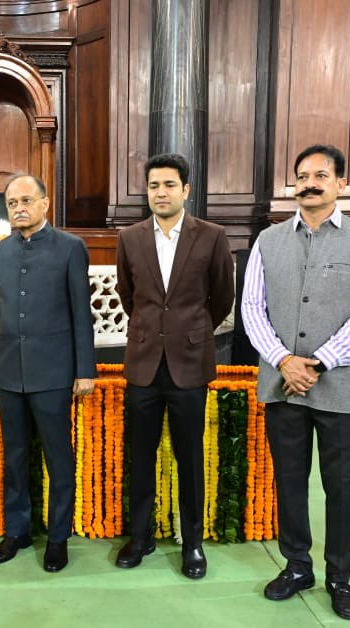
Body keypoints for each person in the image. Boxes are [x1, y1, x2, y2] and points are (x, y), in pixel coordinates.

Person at [241, 144, 350, 619]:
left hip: (341, 388)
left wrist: (318, 363)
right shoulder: (268, 241)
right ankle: (297, 565)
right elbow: (251, 309)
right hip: (282, 386)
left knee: (342, 487)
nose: (310, 182)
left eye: (321, 175)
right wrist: (284, 360)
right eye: (302, 175)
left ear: (341, 184)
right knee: (290, 482)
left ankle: (340, 576)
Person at [114, 153, 235, 580]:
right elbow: (130, 298)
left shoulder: (212, 236)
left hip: (188, 364)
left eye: (169, 185)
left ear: (186, 189)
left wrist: (189, 331)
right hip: (144, 365)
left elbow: (221, 296)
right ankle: (141, 536)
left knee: (189, 457)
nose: (160, 193)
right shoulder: (130, 238)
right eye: (153, 186)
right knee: (141, 456)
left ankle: (193, 543)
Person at [0, 174, 96, 573]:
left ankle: (58, 538)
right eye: (12, 203)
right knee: (14, 458)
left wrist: (84, 370)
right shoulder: (0, 252)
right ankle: (18, 531)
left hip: (55, 372)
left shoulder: (70, 249)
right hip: (8, 371)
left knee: (58, 458)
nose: (19, 208)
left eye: (27, 200)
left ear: (46, 204)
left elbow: (82, 314)